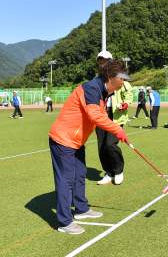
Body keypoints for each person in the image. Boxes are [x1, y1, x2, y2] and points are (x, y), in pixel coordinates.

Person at [48, 59, 131, 235]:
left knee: (80, 174)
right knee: (66, 180)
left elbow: (99, 117)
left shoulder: (103, 90)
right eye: (121, 79)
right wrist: (117, 129)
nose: (123, 82)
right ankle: (64, 221)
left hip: (76, 140)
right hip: (63, 139)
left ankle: (81, 209)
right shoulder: (91, 88)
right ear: (110, 77)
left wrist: (116, 130)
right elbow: (94, 115)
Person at [96, 62, 133, 186]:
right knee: (101, 147)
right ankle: (109, 173)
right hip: (101, 116)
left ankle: (118, 170)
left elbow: (129, 95)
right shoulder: (98, 82)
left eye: (105, 60)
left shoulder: (122, 81)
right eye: (100, 61)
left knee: (110, 144)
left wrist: (125, 104)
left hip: (116, 116)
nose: (102, 63)